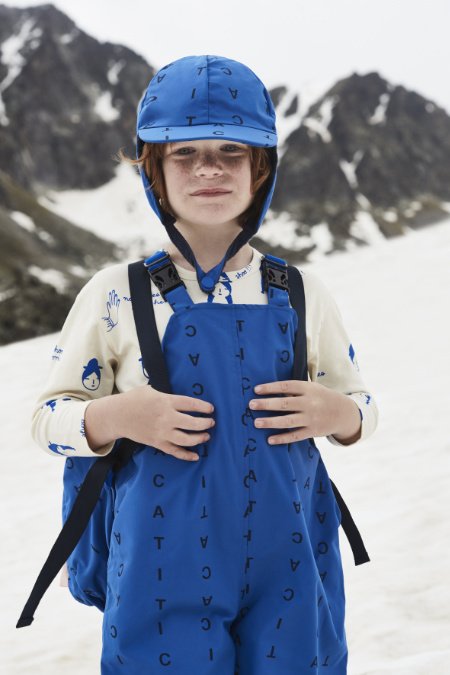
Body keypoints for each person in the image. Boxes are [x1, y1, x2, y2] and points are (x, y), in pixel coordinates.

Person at [31, 54, 378, 674]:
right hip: (161, 567)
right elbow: (47, 418)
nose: (209, 168)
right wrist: (117, 416)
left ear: (261, 168)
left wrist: (341, 414)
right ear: (154, 171)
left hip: (291, 562)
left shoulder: (300, 291)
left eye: (231, 151)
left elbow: (360, 405)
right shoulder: (116, 292)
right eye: (184, 152)